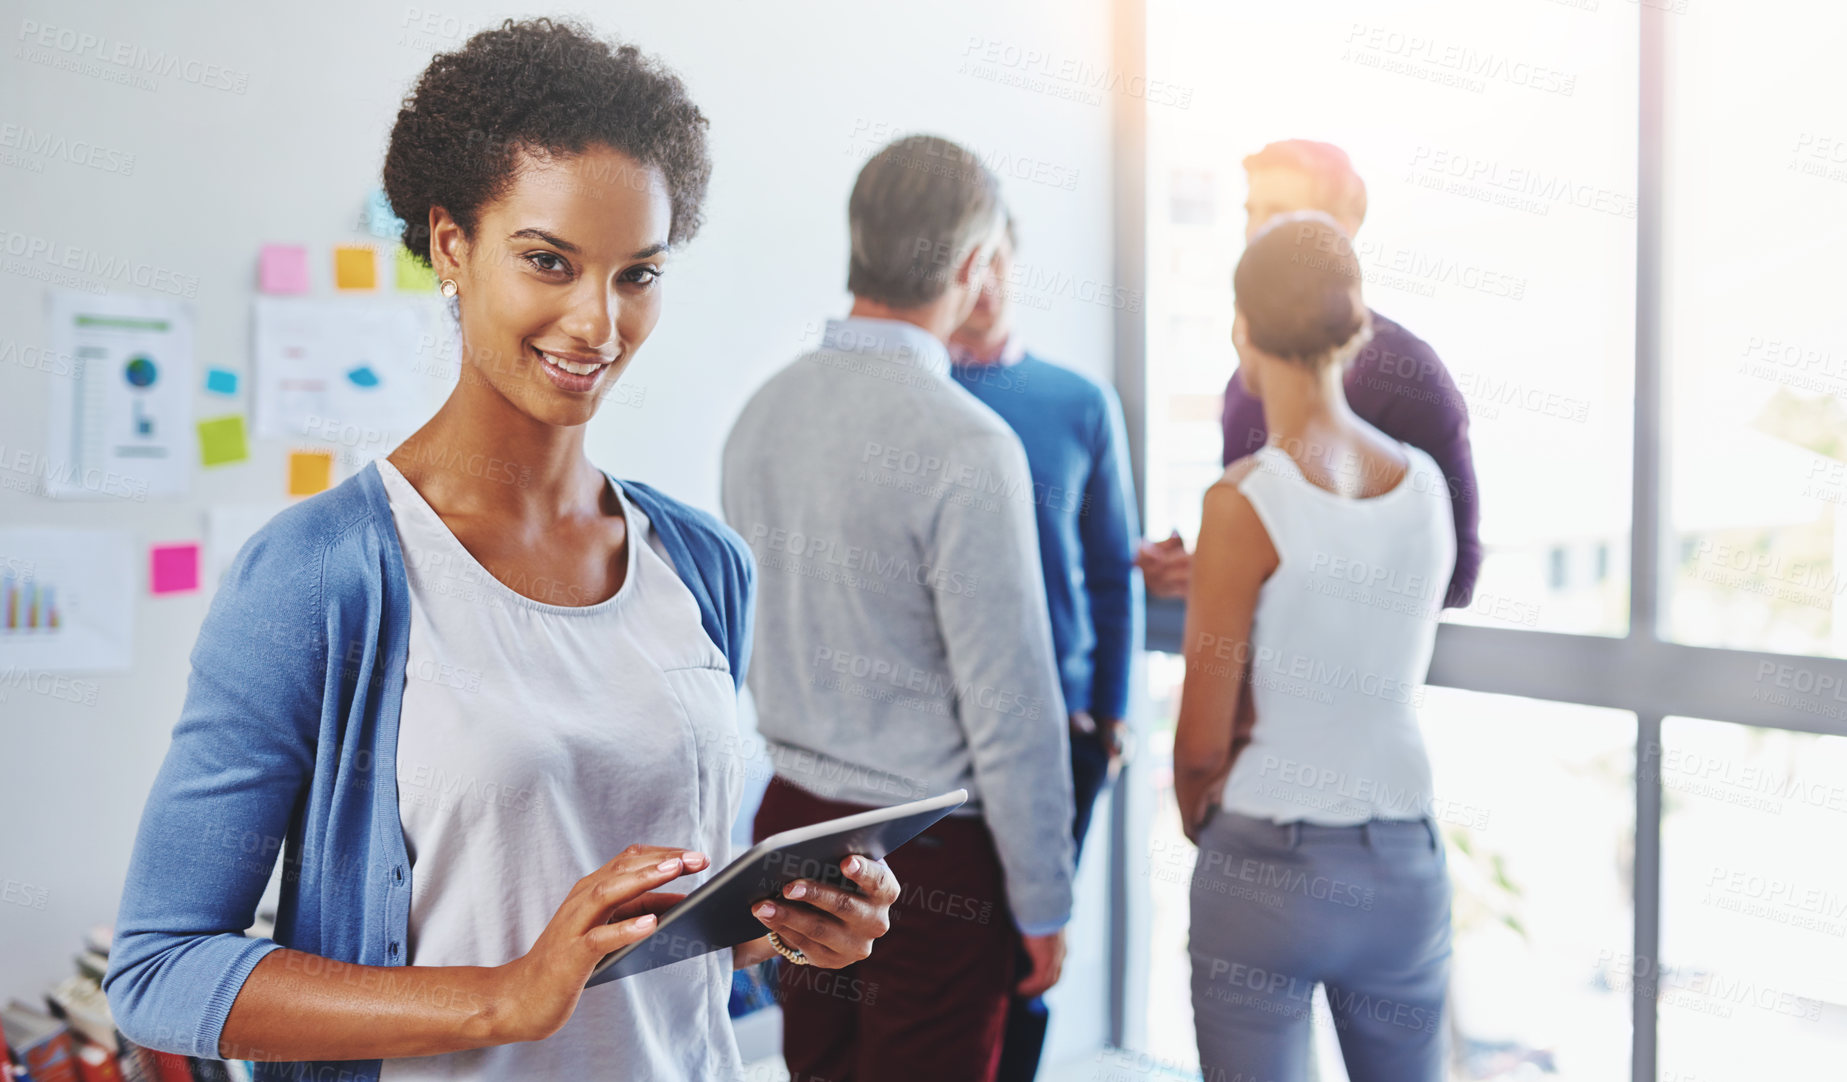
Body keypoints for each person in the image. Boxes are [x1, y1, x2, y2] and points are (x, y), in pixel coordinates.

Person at [102, 20, 898, 1082]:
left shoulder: (704, 565)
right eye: (547, 261)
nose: (596, 321)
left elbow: (649, 943)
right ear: (448, 243)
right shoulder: (323, 575)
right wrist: (505, 994)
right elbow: (160, 967)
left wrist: (785, 924)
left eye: (637, 274)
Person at [723, 135, 1075, 1082]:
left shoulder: (762, 411)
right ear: (972, 266)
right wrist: (1044, 900)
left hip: (791, 830)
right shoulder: (966, 441)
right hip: (928, 854)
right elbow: (1011, 704)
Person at [1174, 211, 1455, 1081]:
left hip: (1269, 860)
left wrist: (1210, 828)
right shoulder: (1426, 486)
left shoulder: (1244, 502)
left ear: (1240, 332)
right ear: (1356, 325)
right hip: (1405, 858)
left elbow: (1198, 746)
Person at [946, 213, 1142, 1082]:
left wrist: (1111, 716)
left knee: (1029, 959)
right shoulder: (922, 401)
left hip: (1061, 734)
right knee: (946, 958)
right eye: (967, 264)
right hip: (939, 737)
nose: (984, 283)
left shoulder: (1079, 402)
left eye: (998, 262)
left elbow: (1111, 573)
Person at [1138, 139, 1480, 611]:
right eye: (1250, 211)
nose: (1256, 232)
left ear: (1340, 231)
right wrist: (1212, 570)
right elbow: (1271, 547)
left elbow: (1456, 576)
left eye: (1278, 214)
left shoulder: (1410, 375)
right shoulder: (1243, 387)